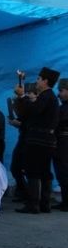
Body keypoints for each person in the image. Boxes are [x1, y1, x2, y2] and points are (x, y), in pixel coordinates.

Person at [14, 67, 60, 214]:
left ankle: (33, 205)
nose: (37, 81)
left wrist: (22, 97)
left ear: (45, 81)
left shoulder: (46, 96)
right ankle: (44, 204)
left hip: (38, 140)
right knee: (44, 171)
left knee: (33, 170)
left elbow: (33, 111)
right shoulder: (49, 97)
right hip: (47, 140)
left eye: (39, 79)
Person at [8, 83, 36, 202]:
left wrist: (20, 124)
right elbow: (22, 119)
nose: (28, 95)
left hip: (32, 141)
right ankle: (24, 192)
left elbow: (33, 123)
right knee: (15, 167)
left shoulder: (37, 107)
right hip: (23, 139)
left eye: (30, 93)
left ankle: (32, 196)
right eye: (27, 93)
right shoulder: (29, 106)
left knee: (31, 170)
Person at [52, 78, 68, 211]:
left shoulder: (64, 108)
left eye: (61, 91)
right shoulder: (62, 106)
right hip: (62, 142)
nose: (59, 94)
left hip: (64, 143)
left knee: (64, 172)